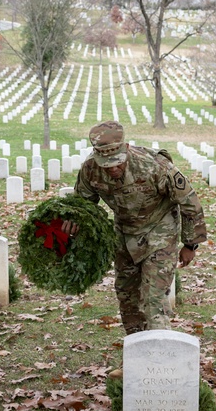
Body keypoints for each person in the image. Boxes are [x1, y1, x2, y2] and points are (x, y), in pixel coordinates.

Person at [65, 121, 208, 335]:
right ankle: (137, 357)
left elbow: (190, 202)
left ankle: (159, 358)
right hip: (125, 233)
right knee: (127, 296)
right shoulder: (90, 169)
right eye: (107, 164)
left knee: (154, 299)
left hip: (160, 229)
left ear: (127, 148)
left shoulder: (154, 165)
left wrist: (190, 244)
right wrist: (73, 222)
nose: (113, 169)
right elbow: (83, 205)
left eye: (118, 163)